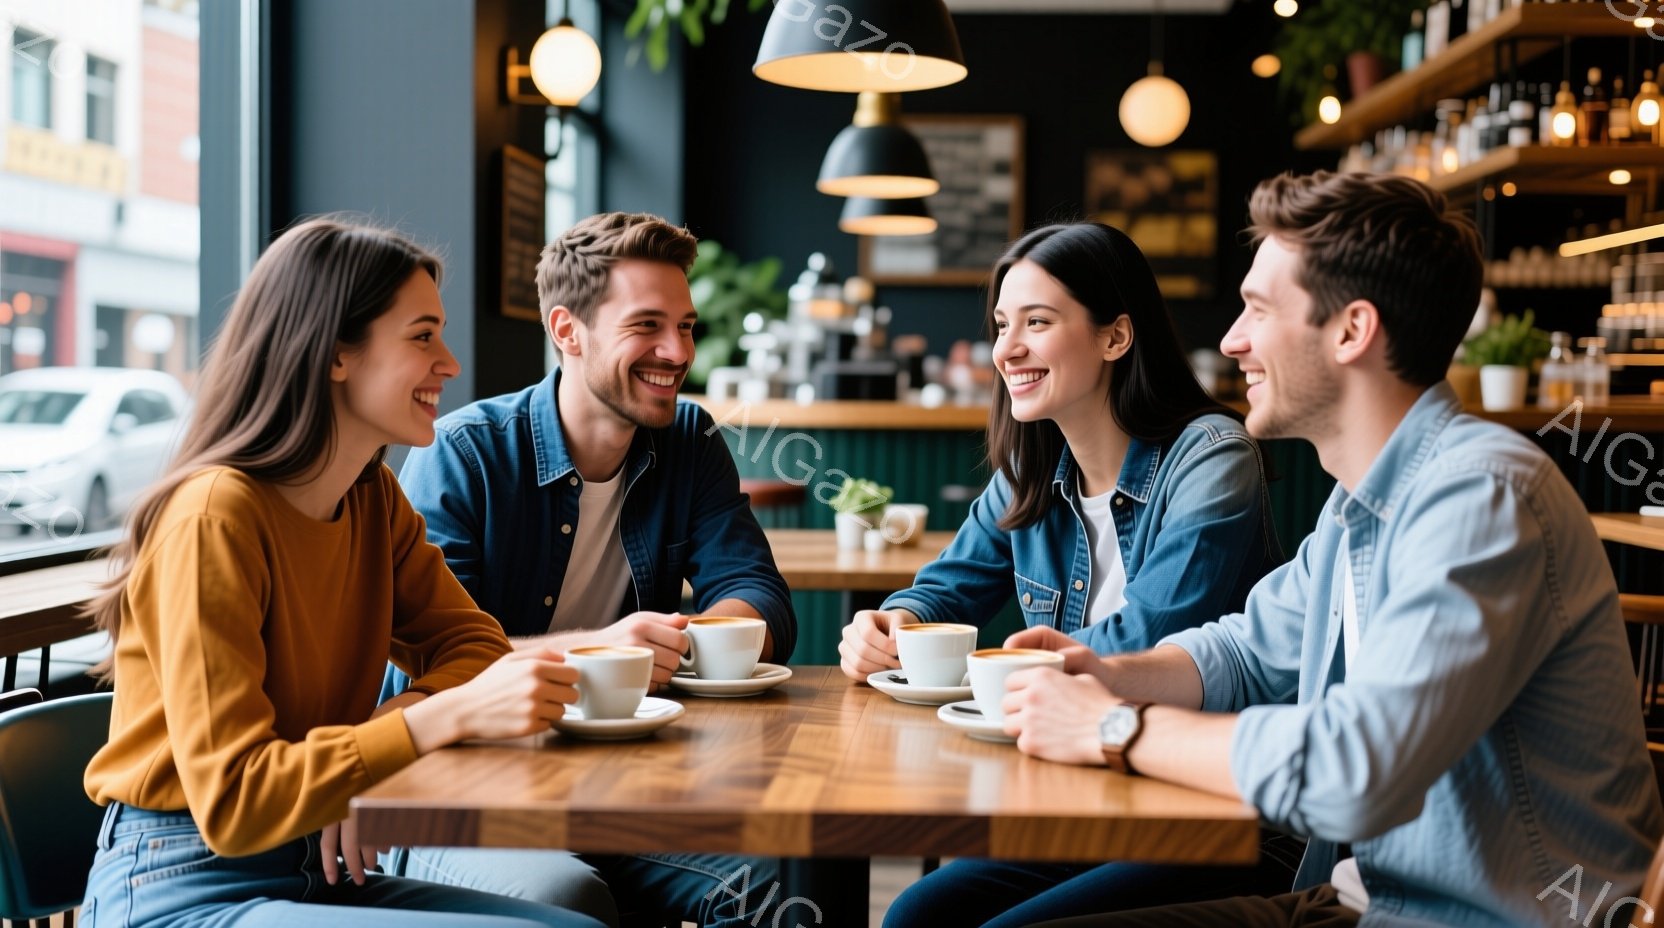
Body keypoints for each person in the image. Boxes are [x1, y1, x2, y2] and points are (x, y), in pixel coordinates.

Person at [1001, 172, 1664, 928]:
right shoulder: (1360, 503)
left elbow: (1357, 770)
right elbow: (1248, 652)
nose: (1232, 340)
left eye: (1258, 310)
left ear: (1352, 331)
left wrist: (1113, 726)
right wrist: (1104, 674)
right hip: (1363, 898)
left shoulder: (1482, 497)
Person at [79, 217, 604, 928]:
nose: (449, 363)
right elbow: (234, 803)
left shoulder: (370, 496)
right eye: (422, 337)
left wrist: (373, 742)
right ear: (335, 355)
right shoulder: (214, 516)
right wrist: (431, 722)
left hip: (314, 867)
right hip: (181, 883)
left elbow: (475, 647)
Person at [846, 222, 1291, 928]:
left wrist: (1006, 674)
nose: (1006, 348)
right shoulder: (1029, 467)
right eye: (1002, 325)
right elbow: (944, 589)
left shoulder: (1211, 456)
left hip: (1211, 805)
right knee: (916, 914)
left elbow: (1150, 640)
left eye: (1038, 322)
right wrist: (893, 625)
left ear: (1116, 337)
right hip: (1085, 788)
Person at [383, 211, 796, 928]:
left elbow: (757, 594)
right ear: (567, 331)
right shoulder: (464, 453)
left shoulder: (688, 441)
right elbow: (432, 666)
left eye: (686, 326)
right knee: (565, 896)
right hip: (458, 788)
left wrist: (692, 638)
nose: (677, 351)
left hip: (618, 779)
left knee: (779, 882)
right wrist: (602, 651)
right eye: (647, 326)